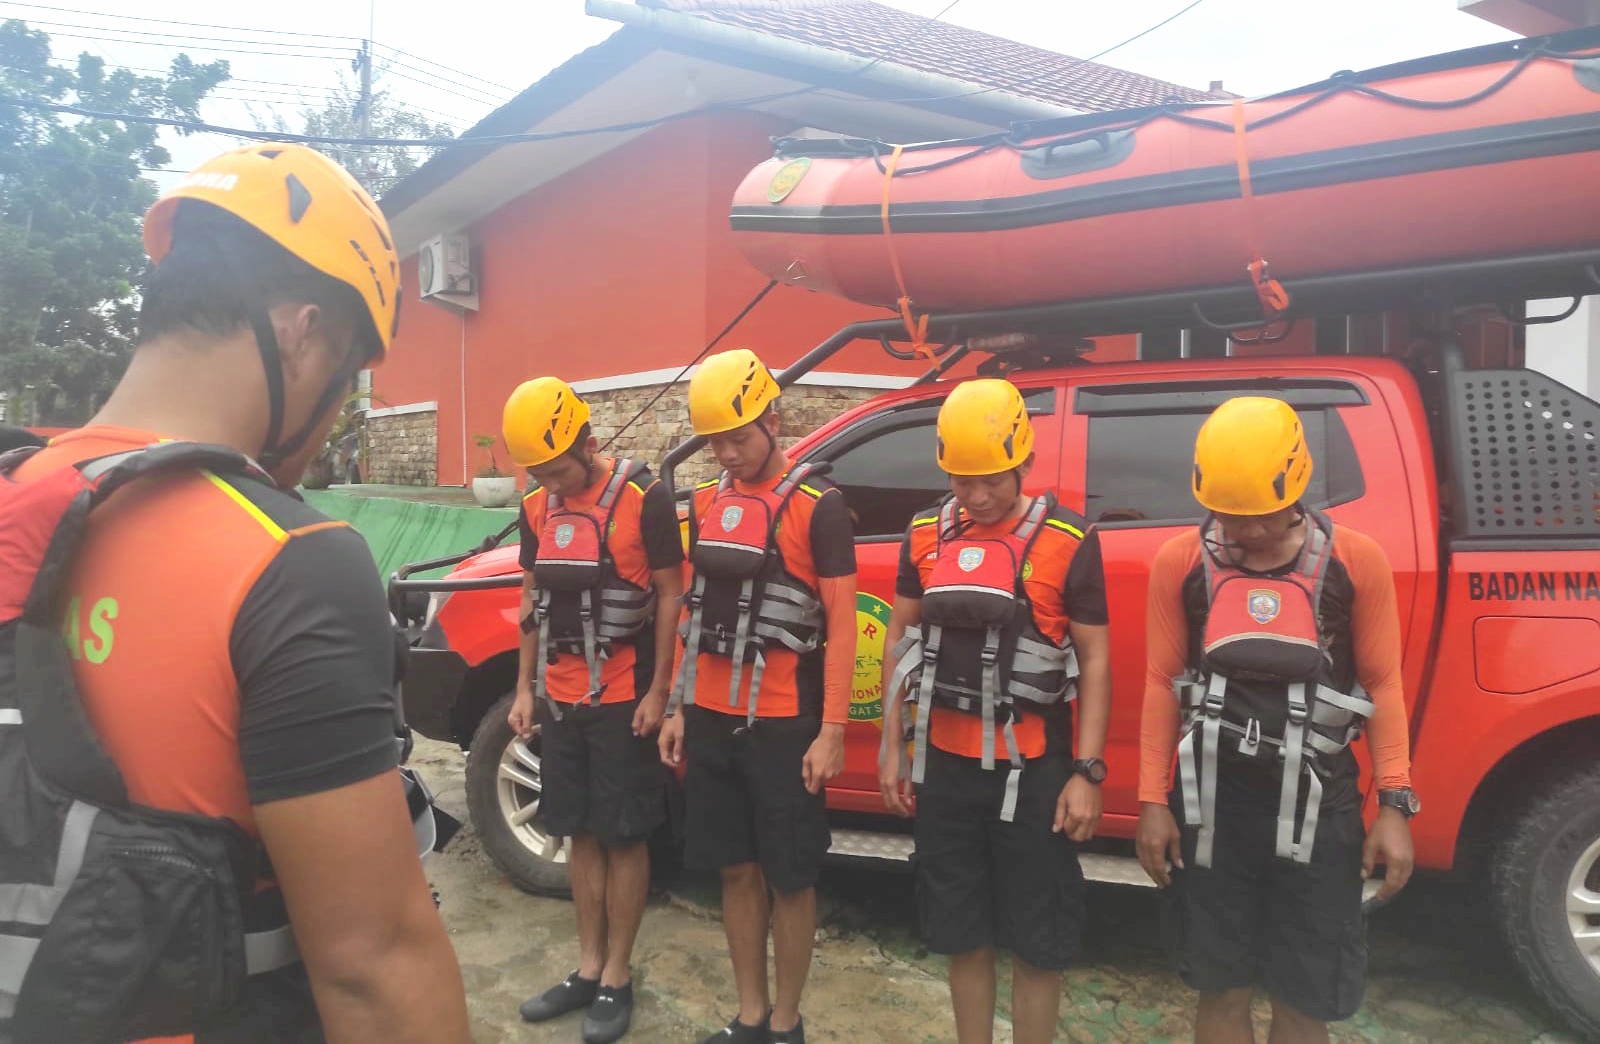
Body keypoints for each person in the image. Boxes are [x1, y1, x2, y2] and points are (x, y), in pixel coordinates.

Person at [5, 143, 469, 1042]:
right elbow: (375, 969)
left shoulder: (17, 488)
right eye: (349, 380)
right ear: (304, 334)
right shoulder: (292, 562)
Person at [1135, 396, 1418, 1044]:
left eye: (1258, 517)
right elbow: (1159, 683)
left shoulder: (1356, 561)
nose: (1242, 532)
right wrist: (1153, 801)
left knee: (1302, 999)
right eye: (1228, 516)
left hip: (1321, 812)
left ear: (1295, 488)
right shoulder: (1179, 562)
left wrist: (1396, 806)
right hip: (1212, 811)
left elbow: (1383, 683)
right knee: (1221, 988)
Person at [878, 377, 1112, 1044]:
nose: (977, 497)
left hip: (1033, 773)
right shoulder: (924, 533)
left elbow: (1095, 660)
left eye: (992, 481)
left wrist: (1086, 771)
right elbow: (900, 639)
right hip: (945, 769)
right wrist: (893, 745)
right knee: (962, 930)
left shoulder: (1068, 538)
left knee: (1038, 941)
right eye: (962, 481)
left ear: (1024, 464)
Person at [657, 348, 856, 1044]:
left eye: (739, 437)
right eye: (715, 441)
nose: (728, 453)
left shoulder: (820, 509)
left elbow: (842, 625)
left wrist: (831, 730)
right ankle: (748, 1015)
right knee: (735, 871)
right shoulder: (704, 503)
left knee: (789, 878)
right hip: (711, 718)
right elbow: (691, 613)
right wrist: (680, 705)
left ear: (774, 418)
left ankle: (785, 1021)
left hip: (783, 727)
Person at [504, 376, 685, 1043]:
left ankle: (617, 974)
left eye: (558, 468)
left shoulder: (646, 497)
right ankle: (585, 967)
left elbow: (671, 594)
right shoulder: (536, 505)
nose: (552, 482)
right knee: (578, 831)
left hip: (624, 695)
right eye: (539, 473)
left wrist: (662, 691)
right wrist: (525, 687)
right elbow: (531, 598)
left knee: (623, 834)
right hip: (560, 693)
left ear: (588, 440)